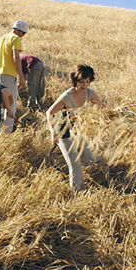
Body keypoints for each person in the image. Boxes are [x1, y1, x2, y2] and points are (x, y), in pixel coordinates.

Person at [46, 64, 105, 193]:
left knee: (89, 158)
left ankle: (92, 183)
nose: (84, 85)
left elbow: (102, 106)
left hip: (79, 131)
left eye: (87, 81)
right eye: (81, 81)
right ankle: (76, 193)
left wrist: (110, 113)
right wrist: (53, 133)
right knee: (75, 164)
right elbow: (49, 113)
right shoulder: (67, 97)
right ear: (75, 81)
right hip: (64, 133)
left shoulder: (89, 93)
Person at [0, 20, 28, 133]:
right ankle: (7, 134)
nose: (23, 36)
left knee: (0, 104)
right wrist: (21, 76)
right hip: (8, 74)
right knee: (11, 105)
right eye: (23, 33)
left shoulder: (2, 38)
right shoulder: (16, 38)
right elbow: (16, 57)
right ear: (19, 31)